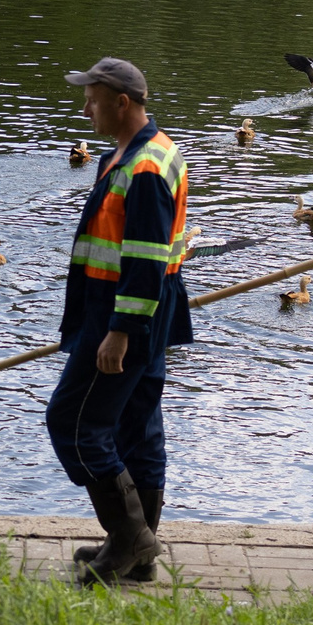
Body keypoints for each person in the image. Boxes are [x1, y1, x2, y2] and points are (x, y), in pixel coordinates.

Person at [50, 57, 192, 585]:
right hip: (139, 309)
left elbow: (146, 260)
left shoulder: (147, 169)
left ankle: (132, 537)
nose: (85, 108)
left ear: (122, 103)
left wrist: (119, 332)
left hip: (126, 312)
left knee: (74, 423)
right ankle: (138, 554)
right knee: (137, 425)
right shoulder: (137, 152)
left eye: (92, 98)